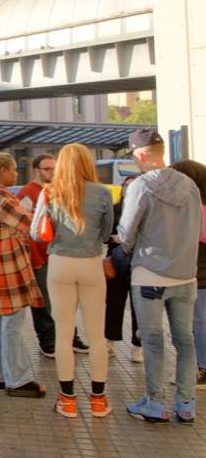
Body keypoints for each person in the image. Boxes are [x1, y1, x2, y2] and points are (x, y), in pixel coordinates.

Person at [119, 129, 201, 424]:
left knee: (152, 340)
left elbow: (127, 233)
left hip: (149, 273)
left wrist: (124, 245)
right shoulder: (190, 185)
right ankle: (186, 404)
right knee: (185, 340)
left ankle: (155, 403)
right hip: (185, 276)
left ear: (140, 155)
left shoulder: (141, 185)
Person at [30, 143, 113, 418]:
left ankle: (67, 400)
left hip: (60, 264)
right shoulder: (102, 192)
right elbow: (105, 234)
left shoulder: (50, 192)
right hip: (90, 264)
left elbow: (35, 233)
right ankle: (99, 400)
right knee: (96, 334)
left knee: (63, 334)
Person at [0, 152, 46, 398]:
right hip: (7, 268)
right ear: (2, 170)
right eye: (13, 170)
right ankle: (18, 380)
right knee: (13, 324)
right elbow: (31, 225)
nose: (16, 174)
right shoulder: (1, 197)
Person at [17, 154, 89, 359]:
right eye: (47, 169)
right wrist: (34, 258)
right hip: (40, 258)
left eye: (53, 168)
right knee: (43, 302)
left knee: (65, 301)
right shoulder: (27, 193)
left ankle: (70, 337)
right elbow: (25, 229)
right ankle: (47, 341)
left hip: (60, 256)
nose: (52, 172)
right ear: (36, 170)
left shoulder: (59, 190)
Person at [169, 159, 206, 389]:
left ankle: (203, 367)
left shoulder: (196, 208)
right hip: (197, 274)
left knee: (198, 323)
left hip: (197, 274)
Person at [103, 176, 143, 364]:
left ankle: (137, 346)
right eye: (126, 186)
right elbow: (104, 235)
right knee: (113, 303)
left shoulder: (146, 208)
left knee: (139, 306)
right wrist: (116, 237)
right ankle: (110, 342)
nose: (129, 189)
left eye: (133, 186)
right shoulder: (114, 208)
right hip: (116, 261)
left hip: (139, 262)